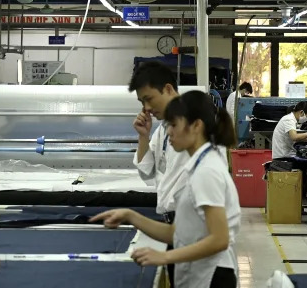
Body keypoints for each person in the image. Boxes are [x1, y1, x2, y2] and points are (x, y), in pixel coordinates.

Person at [92, 91, 240, 288]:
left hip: (212, 276)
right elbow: (179, 235)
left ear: (196, 126)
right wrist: (131, 216)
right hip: (199, 274)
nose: (168, 132)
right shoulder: (197, 168)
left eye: (174, 125)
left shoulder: (207, 172)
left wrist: (164, 256)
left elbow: (219, 239)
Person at [130, 61, 189, 287]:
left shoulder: (193, 124)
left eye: (148, 99)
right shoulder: (163, 128)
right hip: (175, 227)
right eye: (141, 102)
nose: (146, 108)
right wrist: (143, 136)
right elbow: (147, 172)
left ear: (167, 89)